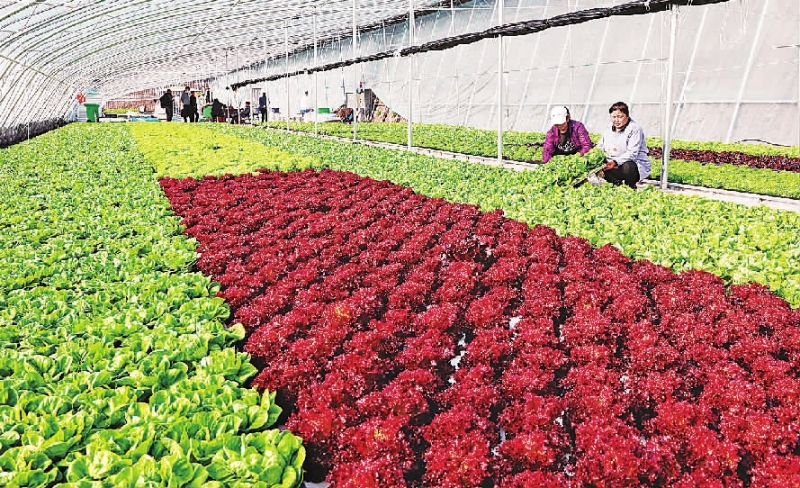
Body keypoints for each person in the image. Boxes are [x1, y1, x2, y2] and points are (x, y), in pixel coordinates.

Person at [597, 101, 651, 189]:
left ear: (627, 115)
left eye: (620, 117)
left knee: (628, 166)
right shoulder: (608, 128)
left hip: (634, 166)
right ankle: (616, 184)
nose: (616, 120)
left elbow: (632, 154)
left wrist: (615, 162)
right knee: (599, 163)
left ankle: (631, 186)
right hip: (613, 164)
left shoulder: (635, 129)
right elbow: (600, 146)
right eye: (614, 117)